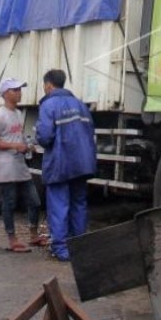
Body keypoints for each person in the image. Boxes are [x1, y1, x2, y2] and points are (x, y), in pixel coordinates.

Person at [36, 69, 96, 262]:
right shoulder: (80, 105)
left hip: (61, 164)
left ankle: (60, 249)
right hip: (83, 163)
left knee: (59, 206)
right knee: (78, 204)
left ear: (48, 85)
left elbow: (45, 137)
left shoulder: (49, 105)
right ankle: (78, 246)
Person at [0, 78, 46, 253]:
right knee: (9, 203)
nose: (19, 93)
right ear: (5, 93)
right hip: (6, 167)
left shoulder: (18, 114)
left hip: (20, 164)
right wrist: (13, 146)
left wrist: (26, 145)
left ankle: (33, 235)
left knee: (34, 201)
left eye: (20, 89)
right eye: (15, 90)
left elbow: (16, 138)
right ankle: (12, 240)